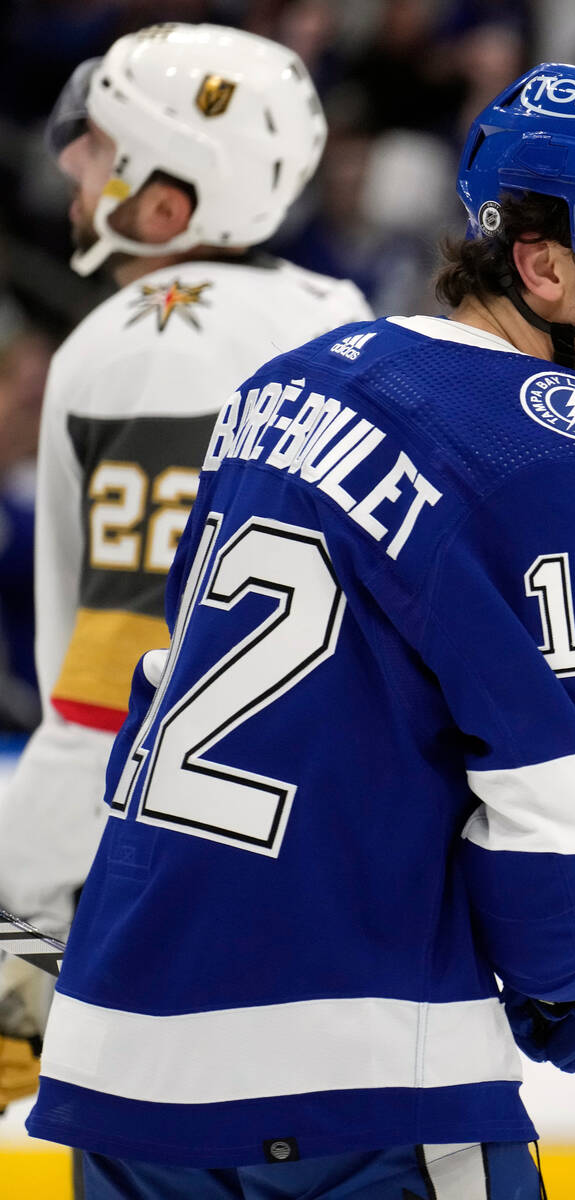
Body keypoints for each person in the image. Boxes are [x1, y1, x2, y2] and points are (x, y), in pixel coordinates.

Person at [27, 63, 575, 1199]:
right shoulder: (552, 448)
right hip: (350, 1078)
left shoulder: (281, 387)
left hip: (120, 1062)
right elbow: (556, 847)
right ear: (542, 265)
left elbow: (158, 686)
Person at [0, 20, 371, 1128]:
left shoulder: (135, 343)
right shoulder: (349, 323)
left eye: (104, 155)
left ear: (169, 203)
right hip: (337, 878)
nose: (78, 180)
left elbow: (121, 677)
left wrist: (20, 899)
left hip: (166, 897)